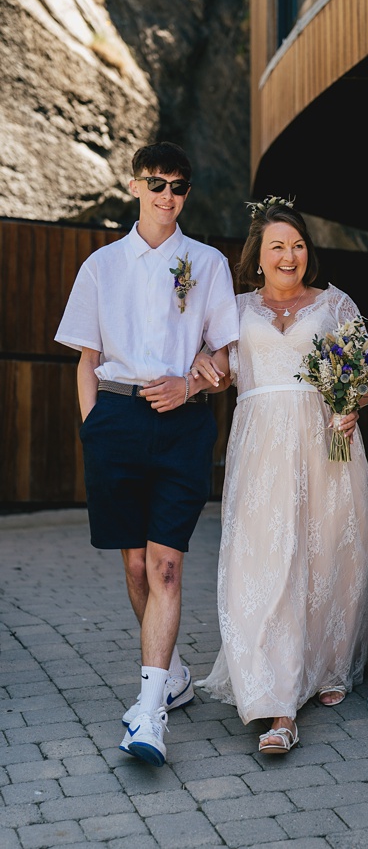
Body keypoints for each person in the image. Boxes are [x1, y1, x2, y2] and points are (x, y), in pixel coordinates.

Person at [55, 142, 239, 766]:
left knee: (164, 567)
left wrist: (192, 384)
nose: (168, 195)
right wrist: (94, 428)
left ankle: (150, 711)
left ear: (188, 194)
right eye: (156, 183)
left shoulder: (207, 263)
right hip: (116, 421)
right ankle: (175, 672)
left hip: (183, 425)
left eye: (179, 186)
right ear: (135, 186)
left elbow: (227, 358)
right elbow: (84, 358)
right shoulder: (101, 266)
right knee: (135, 568)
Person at [198, 198, 368, 754]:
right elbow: (217, 369)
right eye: (277, 245)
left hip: (326, 439)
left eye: (298, 245)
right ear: (257, 255)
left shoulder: (334, 304)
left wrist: (355, 401)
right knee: (264, 557)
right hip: (259, 444)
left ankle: (327, 663)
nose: (289, 255)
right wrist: (199, 370)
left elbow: (367, 373)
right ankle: (276, 704)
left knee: (326, 550)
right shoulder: (232, 308)